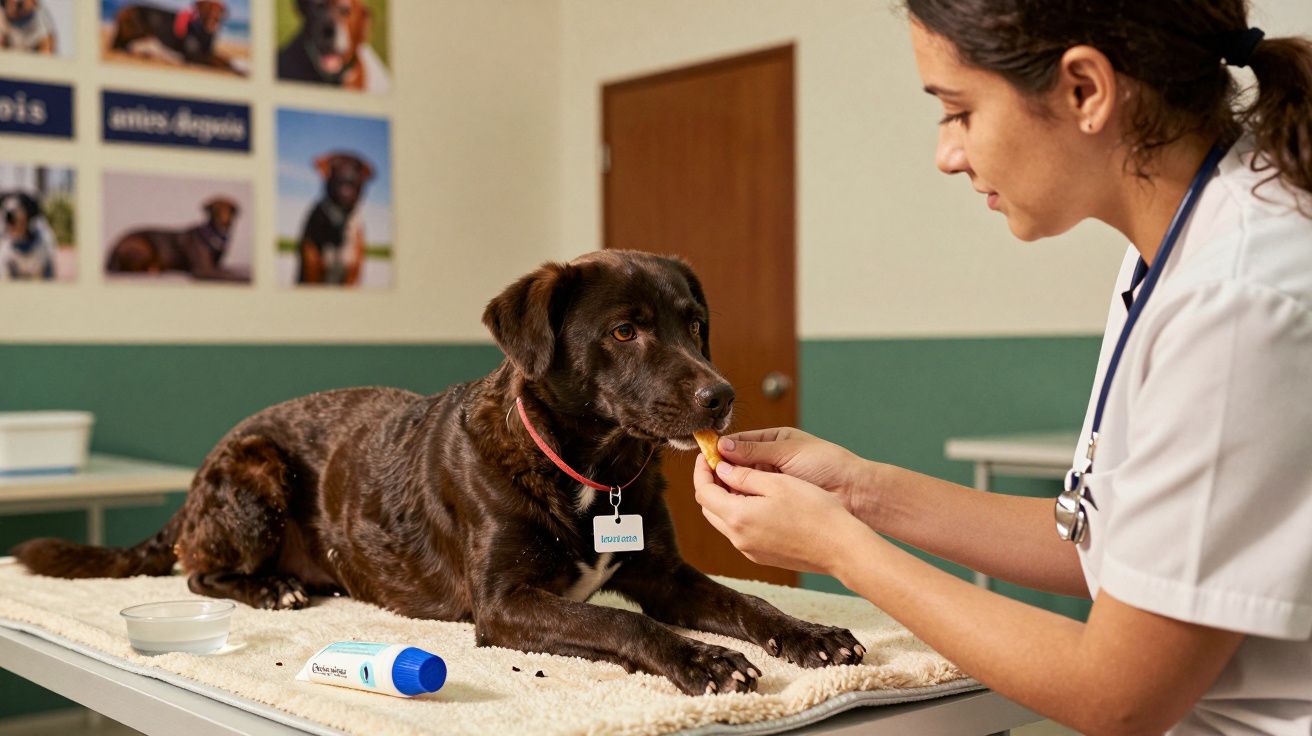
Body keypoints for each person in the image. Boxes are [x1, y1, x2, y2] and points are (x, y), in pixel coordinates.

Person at [692, 2, 1312, 734]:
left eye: (958, 111)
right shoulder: (1177, 247)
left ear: (1085, 90)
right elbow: (1103, 542)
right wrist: (858, 489)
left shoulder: (1239, 296)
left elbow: (1119, 697)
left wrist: (840, 550)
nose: (946, 154)